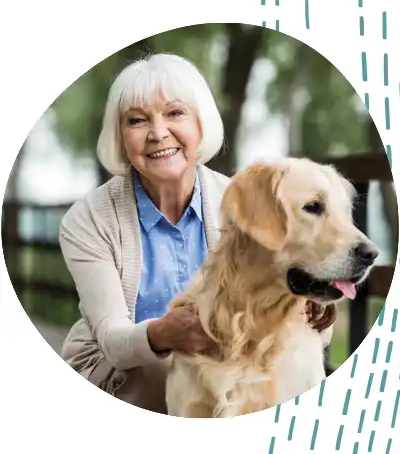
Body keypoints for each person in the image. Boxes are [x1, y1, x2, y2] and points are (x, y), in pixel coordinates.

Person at [59, 52, 334, 414]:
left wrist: (315, 308)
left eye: (175, 113)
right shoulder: (88, 220)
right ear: (120, 136)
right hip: (122, 367)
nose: (158, 133)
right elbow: (112, 339)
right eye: (138, 120)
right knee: (165, 370)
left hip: (227, 360)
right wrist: (163, 334)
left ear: (201, 124)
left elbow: (287, 305)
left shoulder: (243, 205)